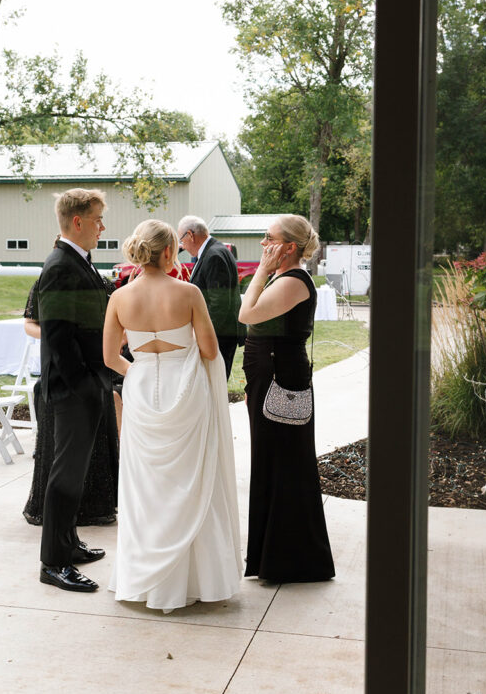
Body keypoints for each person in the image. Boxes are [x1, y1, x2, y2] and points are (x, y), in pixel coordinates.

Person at [103, 219, 242, 613]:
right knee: (193, 480)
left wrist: (139, 373)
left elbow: (110, 357)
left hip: (142, 390)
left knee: (146, 485)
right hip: (187, 391)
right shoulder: (189, 292)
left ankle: (145, 576)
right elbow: (211, 351)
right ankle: (197, 579)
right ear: (168, 252)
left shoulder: (119, 298)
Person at [238, 214, 335, 584]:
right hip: (268, 375)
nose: (263, 244)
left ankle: (291, 560)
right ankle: (269, 557)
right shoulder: (283, 278)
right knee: (271, 461)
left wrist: (261, 270)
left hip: (281, 379)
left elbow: (247, 313)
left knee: (284, 462)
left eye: (269, 238)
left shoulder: (294, 280)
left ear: (289, 247)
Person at [37, 188, 116, 593]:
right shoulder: (60, 266)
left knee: (77, 473)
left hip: (87, 384)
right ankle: (53, 562)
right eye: (99, 219)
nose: (103, 227)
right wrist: (85, 385)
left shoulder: (78, 262)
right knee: (64, 477)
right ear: (78, 221)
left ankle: (69, 542)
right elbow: (58, 336)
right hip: (71, 391)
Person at [21, 277, 118, 528]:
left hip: (95, 370)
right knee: (58, 443)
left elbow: (119, 327)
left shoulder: (104, 285)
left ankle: (95, 505)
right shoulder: (46, 283)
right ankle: (57, 509)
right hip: (58, 370)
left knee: (96, 439)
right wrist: (56, 334)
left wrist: (105, 344)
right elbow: (29, 324)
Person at [177, 215, 245, 379]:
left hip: (220, 336)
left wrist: (202, 338)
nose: (182, 247)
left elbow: (219, 305)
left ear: (190, 235)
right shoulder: (215, 250)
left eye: (182, 240)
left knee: (214, 386)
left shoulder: (214, 256)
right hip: (221, 334)